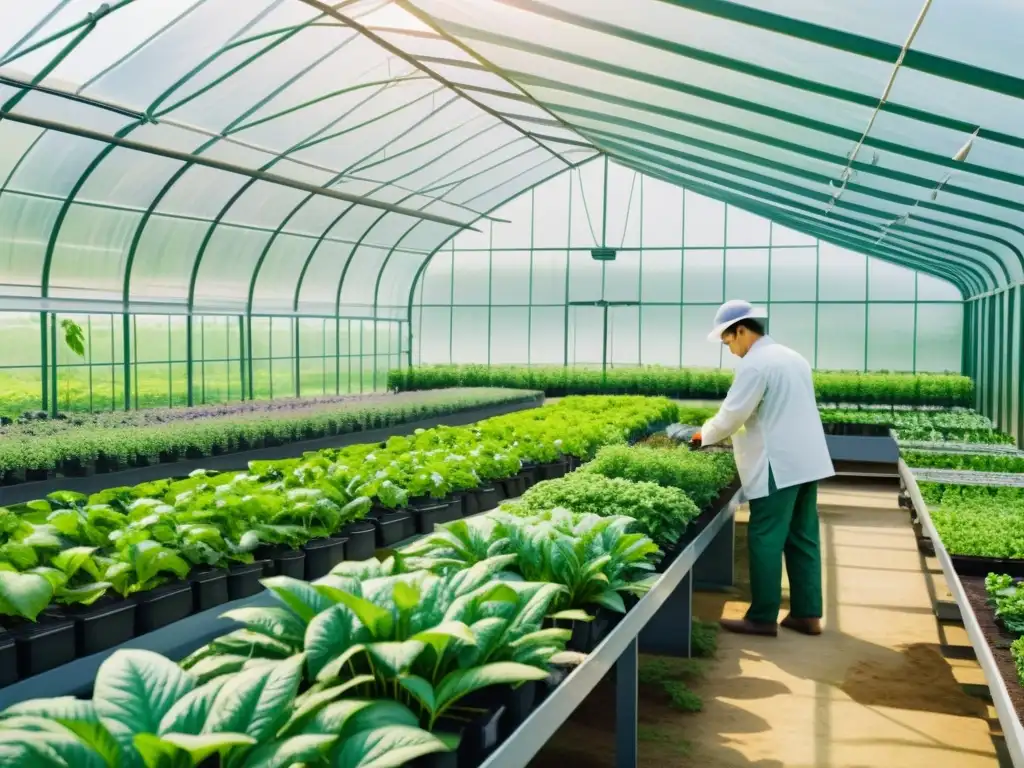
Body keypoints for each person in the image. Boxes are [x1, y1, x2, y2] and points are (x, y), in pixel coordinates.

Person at [690, 299, 834, 637]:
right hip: (807, 459)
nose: (731, 349)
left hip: (778, 463)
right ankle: (807, 614)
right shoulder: (792, 357)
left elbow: (733, 414)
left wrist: (704, 435)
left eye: (728, 341)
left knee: (765, 537)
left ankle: (763, 617)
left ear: (741, 330)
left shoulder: (755, 364)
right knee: (802, 537)